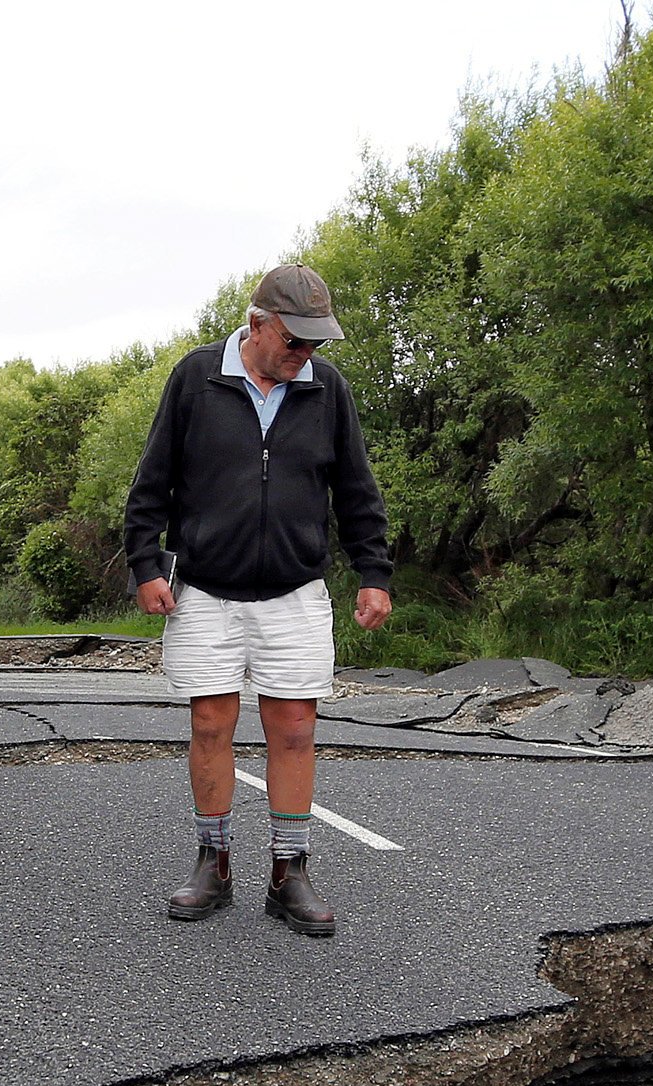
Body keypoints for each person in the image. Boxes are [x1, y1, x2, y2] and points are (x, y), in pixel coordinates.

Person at [124, 263, 392, 938]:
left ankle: (289, 872)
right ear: (256, 325)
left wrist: (374, 572)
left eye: (314, 344)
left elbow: (356, 489)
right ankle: (213, 864)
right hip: (205, 589)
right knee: (212, 723)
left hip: (295, 590)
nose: (305, 355)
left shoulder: (327, 391)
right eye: (294, 341)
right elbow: (152, 479)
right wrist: (145, 563)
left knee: (296, 727)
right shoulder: (195, 378)